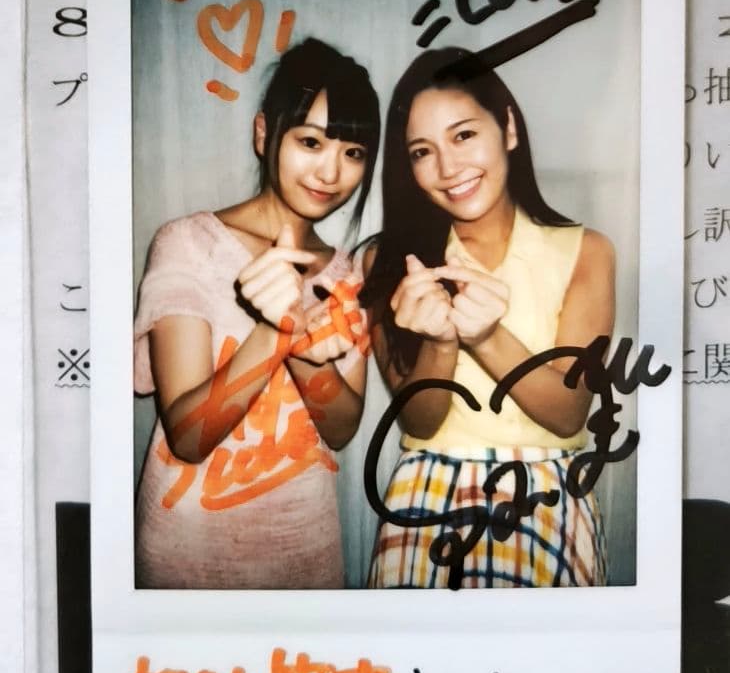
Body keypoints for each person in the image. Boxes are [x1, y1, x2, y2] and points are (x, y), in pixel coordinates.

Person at [361, 47, 615, 589]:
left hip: (547, 491)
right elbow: (419, 423)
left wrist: (486, 337)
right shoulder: (386, 261)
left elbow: (569, 414)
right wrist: (441, 343)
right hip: (429, 488)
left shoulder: (587, 250)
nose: (448, 168)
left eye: (463, 135)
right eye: (422, 151)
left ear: (509, 129)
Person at [133, 37, 380, 589]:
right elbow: (189, 437)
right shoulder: (188, 244)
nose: (330, 172)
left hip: (308, 557)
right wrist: (275, 332)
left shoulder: (346, 274)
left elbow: (340, 428)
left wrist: (304, 348)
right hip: (186, 559)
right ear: (264, 134)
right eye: (311, 141)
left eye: (353, 152)